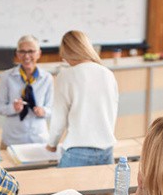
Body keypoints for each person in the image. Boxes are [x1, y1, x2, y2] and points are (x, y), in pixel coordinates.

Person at [46, 30, 119, 167]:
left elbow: (59, 118)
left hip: (77, 151)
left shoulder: (66, 76)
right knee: (103, 189)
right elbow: (112, 112)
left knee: (62, 188)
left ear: (66, 51)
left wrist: (52, 144)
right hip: (107, 150)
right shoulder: (108, 74)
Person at [0, 35, 53, 146]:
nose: (26, 56)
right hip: (12, 138)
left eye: (31, 51)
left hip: (39, 137)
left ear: (39, 53)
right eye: (22, 51)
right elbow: (0, 108)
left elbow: (51, 109)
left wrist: (43, 111)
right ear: (17, 54)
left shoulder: (47, 78)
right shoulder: (6, 77)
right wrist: (13, 108)